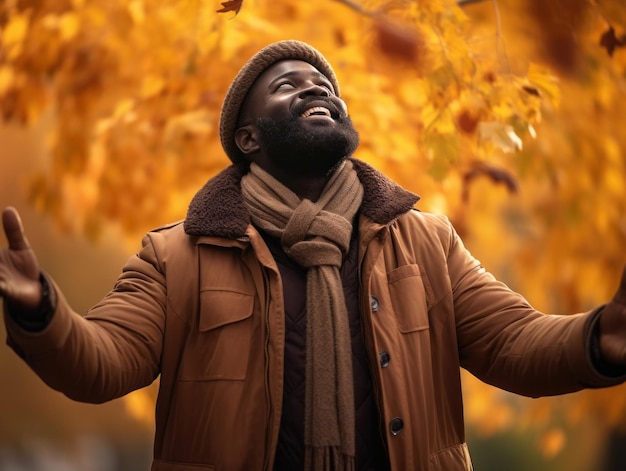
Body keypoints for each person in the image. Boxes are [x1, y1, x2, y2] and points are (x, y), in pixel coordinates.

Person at [1, 40, 626, 471]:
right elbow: (100, 363)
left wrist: (598, 340)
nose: (313, 90)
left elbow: (517, 342)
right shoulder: (178, 257)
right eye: (286, 86)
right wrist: (41, 314)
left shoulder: (425, 242)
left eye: (323, 84)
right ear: (248, 139)